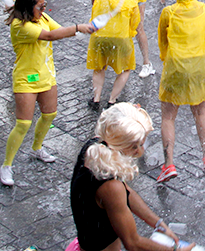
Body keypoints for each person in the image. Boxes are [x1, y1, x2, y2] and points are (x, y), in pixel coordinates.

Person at [1, 0, 95, 186]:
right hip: (26, 79)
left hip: (46, 76)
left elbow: (58, 29)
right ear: (28, 8)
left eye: (44, 5)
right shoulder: (20, 26)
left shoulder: (41, 17)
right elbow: (51, 36)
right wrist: (78, 27)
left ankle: (37, 148)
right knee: (23, 124)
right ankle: (7, 165)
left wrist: (82, 31)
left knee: (50, 114)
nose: (44, 8)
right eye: (40, 6)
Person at [69, 103, 192, 251]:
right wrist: (174, 250)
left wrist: (158, 223)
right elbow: (132, 243)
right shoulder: (111, 188)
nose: (140, 152)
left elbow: (128, 193)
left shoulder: (96, 148)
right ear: (124, 145)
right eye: (137, 146)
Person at [156, 0, 205, 182]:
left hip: (176, 68)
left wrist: (166, 60)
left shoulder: (169, 12)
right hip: (200, 67)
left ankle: (169, 163)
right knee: (200, 112)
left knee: (168, 116)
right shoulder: (204, 9)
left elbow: (162, 42)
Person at [87, 0, 142, 108]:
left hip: (99, 37)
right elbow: (135, 22)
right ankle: (112, 100)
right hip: (121, 38)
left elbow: (94, 14)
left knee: (99, 68)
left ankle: (96, 99)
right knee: (125, 69)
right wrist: (129, 33)